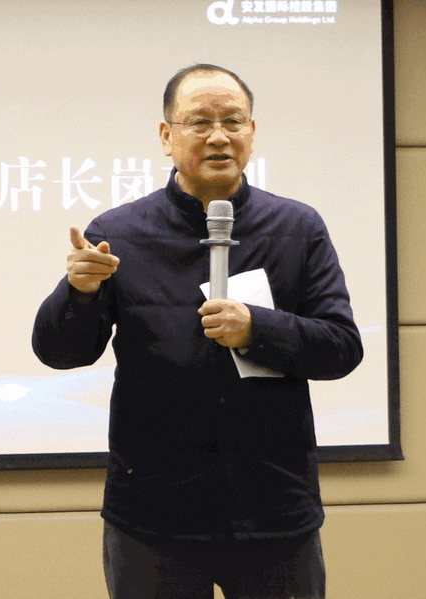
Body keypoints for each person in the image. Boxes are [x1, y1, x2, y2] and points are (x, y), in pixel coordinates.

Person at [32, 63, 363, 599]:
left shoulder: (297, 228)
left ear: (252, 132)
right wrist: (79, 292)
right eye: (200, 122)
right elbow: (61, 354)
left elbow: (342, 347)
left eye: (233, 121)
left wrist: (258, 328)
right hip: (153, 515)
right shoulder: (118, 233)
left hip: (273, 509)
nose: (218, 136)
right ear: (167, 136)